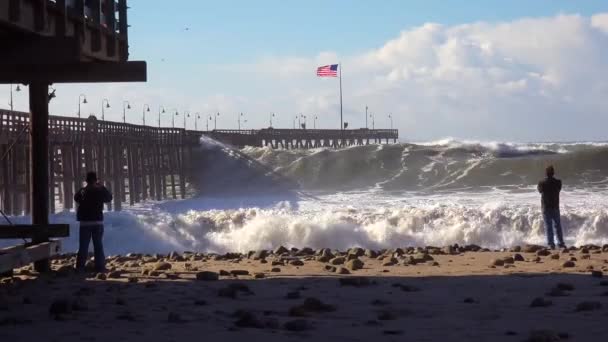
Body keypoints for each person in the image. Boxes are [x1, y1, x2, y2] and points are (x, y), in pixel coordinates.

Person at [74, 171, 113, 272]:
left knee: (83, 246)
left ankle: (80, 267)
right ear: (96, 180)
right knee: (98, 245)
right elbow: (109, 198)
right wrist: (102, 187)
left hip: (84, 223)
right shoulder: (99, 191)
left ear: (86, 181)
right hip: (97, 222)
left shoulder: (83, 191)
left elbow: (76, 198)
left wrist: (83, 188)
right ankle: (100, 267)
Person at [537, 165, 565, 249]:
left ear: (546, 173)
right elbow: (559, 189)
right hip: (555, 206)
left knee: (548, 226)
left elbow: (540, 191)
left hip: (546, 207)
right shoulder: (558, 182)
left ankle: (551, 244)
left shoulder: (541, 182)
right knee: (558, 226)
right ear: (553, 173)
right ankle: (561, 243)